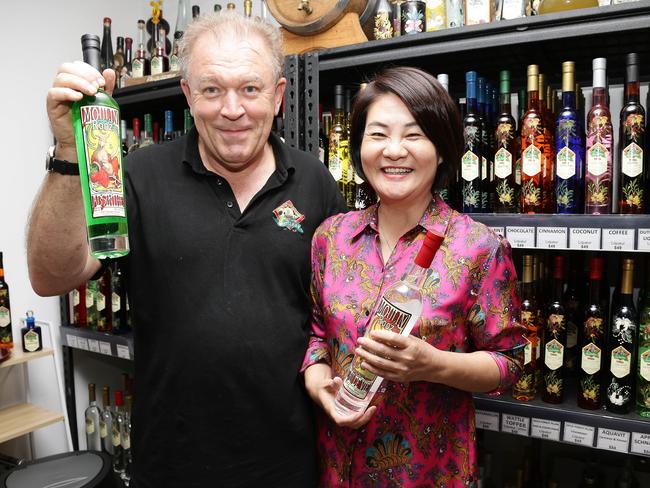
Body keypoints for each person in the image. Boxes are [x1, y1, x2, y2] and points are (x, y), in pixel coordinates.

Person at [27, 12, 346, 488]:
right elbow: (51, 276)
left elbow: (337, 316)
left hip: (288, 466)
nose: (232, 109)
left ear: (279, 97)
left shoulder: (315, 181)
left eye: (251, 89)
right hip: (172, 466)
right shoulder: (136, 175)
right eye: (212, 89)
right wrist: (69, 151)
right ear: (188, 95)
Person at [302, 67, 526, 487]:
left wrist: (432, 364)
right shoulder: (331, 238)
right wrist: (320, 390)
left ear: (441, 149)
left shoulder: (476, 247)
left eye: (414, 134)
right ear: (358, 147)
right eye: (378, 134)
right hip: (336, 465)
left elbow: (509, 362)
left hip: (428, 471)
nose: (394, 150)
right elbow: (317, 337)